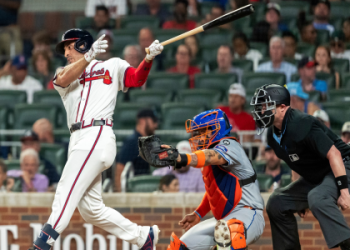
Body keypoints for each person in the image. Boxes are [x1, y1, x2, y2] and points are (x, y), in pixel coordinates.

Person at [29, 28, 163, 250]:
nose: (66, 53)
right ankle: (142, 236)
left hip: (97, 133)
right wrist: (88, 57)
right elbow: (63, 78)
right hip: (77, 139)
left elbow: (136, 79)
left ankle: (44, 242)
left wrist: (148, 59)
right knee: (91, 210)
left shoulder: (112, 65)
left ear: (82, 45)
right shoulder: (64, 72)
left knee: (65, 188)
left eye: (69, 47)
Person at [250, 84, 350, 250]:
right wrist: (297, 196)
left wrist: (344, 190)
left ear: (283, 107)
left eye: (267, 106)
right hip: (319, 175)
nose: (261, 111)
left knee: (317, 197)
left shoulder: (302, 123)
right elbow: (296, 162)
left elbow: (334, 154)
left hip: (343, 164)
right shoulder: (272, 136)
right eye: (261, 107)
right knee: (277, 203)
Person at [158, 109, 264, 250]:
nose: (196, 137)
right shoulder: (208, 155)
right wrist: (198, 213)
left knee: (231, 237)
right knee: (178, 247)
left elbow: (212, 155)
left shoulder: (229, 145)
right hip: (222, 220)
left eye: (201, 132)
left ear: (216, 129)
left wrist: (182, 158)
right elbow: (215, 190)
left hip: (248, 213)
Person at [115, 109, 159, 192]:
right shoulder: (131, 142)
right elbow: (120, 171)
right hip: (135, 191)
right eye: (153, 121)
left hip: (149, 190)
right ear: (142, 121)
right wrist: (121, 199)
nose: (156, 125)